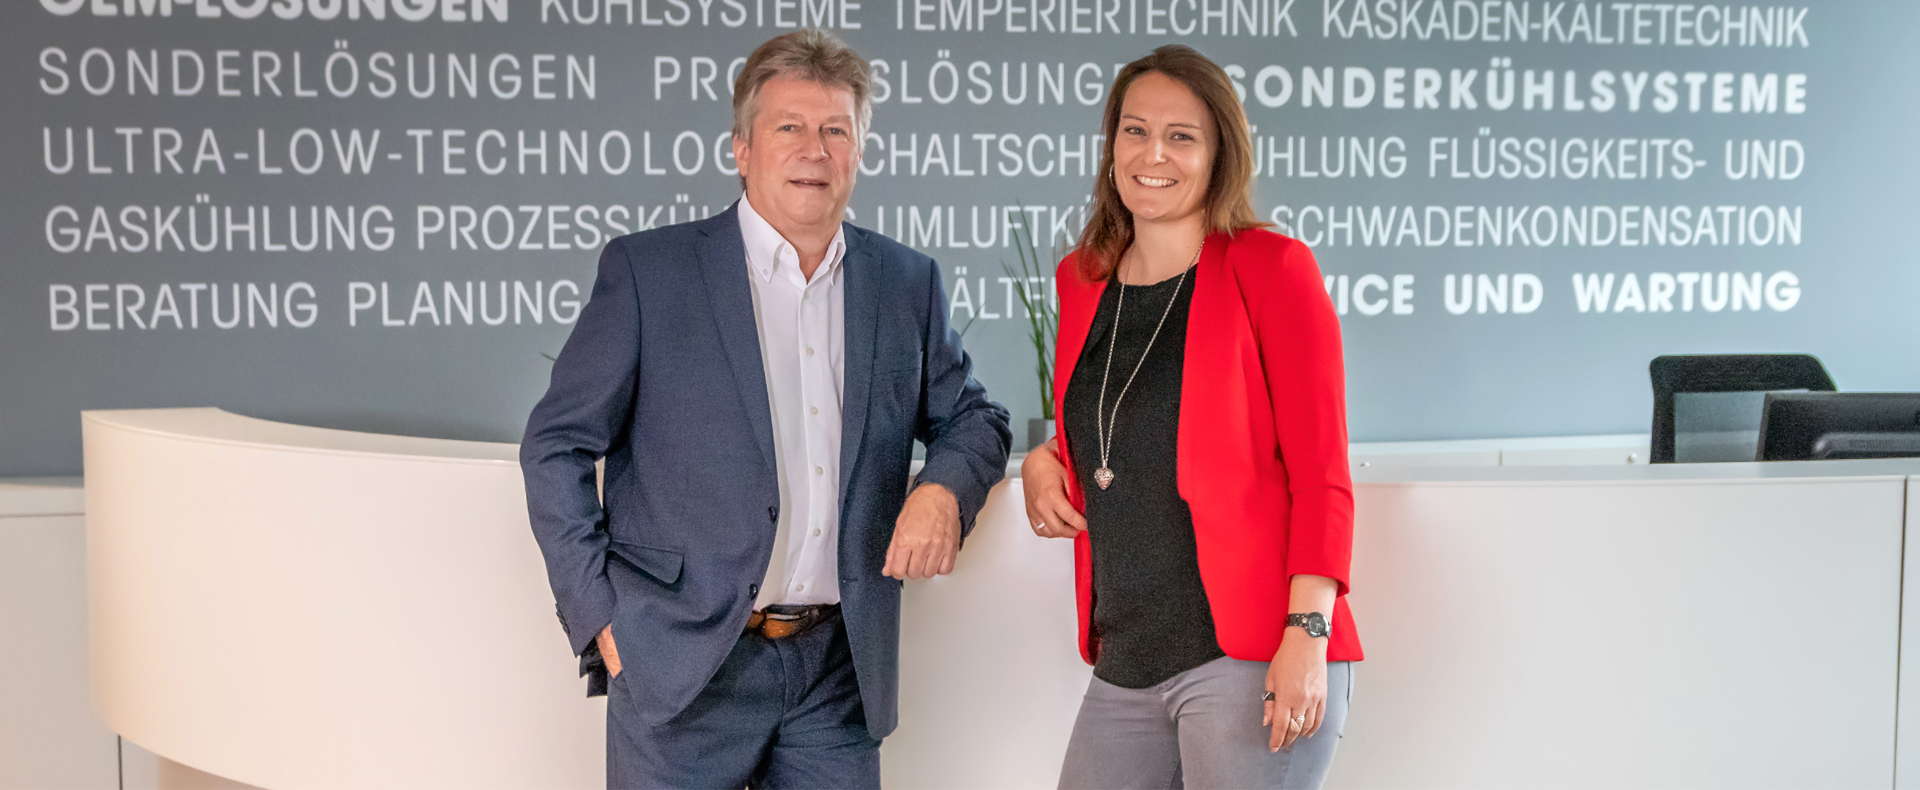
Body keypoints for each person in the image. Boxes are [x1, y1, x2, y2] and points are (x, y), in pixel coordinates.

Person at [520, 29, 1011, 789]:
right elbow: (556, 444)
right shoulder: (651, 273)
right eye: (790, 127)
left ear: (857, 151)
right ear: (742, 150)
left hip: (836, 675)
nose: (814, 149)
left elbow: (975, 419)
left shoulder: (904, 282)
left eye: (835, 130)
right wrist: (600, 617)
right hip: (680, 665)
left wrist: (942, 490)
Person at [1020, 45, 1362, 790]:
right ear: (1112, 145)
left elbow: (1323, 477)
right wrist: (1045, 461)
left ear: (1218, 156)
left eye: (1181, 136)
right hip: (1127, 657)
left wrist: (1307, 634)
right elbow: (1112, 422)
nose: (1154, 154)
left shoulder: (1272, 268)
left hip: (1249, 655)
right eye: (1136, 131)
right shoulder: (1082, 279)